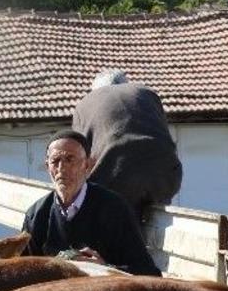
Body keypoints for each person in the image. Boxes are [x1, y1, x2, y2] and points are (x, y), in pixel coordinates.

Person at [21, 130, 161, 276]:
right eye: (55, 161)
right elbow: (23, 274)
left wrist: (105, 268)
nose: (62, 169)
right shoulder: (36, 215)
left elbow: (148, 272)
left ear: (87, 165)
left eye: (70, 159)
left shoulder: (114, 209)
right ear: (47, 166)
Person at [73, 70, 183, 219]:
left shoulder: (84, 104)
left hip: (114, 180)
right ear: (126, 83)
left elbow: (78, 154)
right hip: (166, 178)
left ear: (95, 90)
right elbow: (165, 137)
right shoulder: (147, 93)